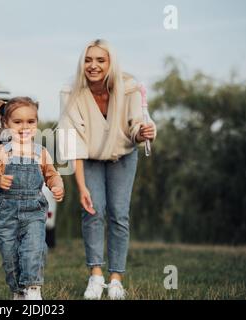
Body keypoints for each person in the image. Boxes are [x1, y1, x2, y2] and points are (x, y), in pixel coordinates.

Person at [58, 39, 156, 300]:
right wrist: (81, 188)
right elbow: (72, 141)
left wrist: (143, 131)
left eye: (100, 60)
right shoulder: (70, 92)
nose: (93, 65)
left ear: (110, 63)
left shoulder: (130, 88)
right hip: (88, 159)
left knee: (119, 214)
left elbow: (136, 125)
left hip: (122, 157)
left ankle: (116, 280)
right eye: (88, 60)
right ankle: (96, 276)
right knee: (92, 211)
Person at [0, 97, 64, 300]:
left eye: (31, 122)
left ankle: (33, 288)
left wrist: (57, 185)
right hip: (8, 212)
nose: (24, 127)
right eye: (17, 122)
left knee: (33, 248)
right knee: (9, 254)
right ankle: (18, 290)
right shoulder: (2, 152)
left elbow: (52, 174)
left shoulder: (41, 153)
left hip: (34, 211)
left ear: (36, 124)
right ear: (5, 124)